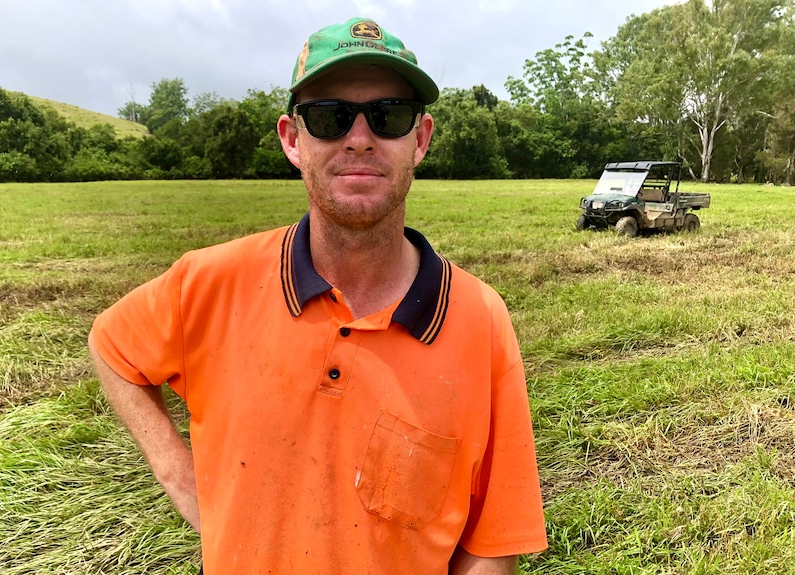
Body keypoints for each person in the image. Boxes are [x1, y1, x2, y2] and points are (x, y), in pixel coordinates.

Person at [89, 16, 547, 575]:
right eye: (329, 117)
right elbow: (112, 347)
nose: (359, 137)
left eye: (389, 116)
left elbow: (491, 547)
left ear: (420, 139)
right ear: (292, 140)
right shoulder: (209, 283)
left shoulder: (480, 320)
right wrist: (186, 485)